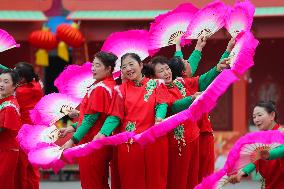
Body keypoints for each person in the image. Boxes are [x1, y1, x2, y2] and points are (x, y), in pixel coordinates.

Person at [145, 37, 230, 189]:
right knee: (178, 182)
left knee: (193, 182)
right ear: (154, 77)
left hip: (194, 138)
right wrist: (191, 98)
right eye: (161, 71)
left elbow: (201, 79)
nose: (166, 72)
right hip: (177, 143)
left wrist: (218, 67)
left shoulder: (181, 82)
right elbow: (173, 107)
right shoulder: (158, 91)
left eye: (167, 69)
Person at [94, 53, 169, 189]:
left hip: (154, 141)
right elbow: (115, 116)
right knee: (132, 183)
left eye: (131, 64)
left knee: (156, 182)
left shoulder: (157, 84)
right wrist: (103, 133)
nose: (128, 69)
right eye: (124, 67)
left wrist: (159, 118)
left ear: (140, 65)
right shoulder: (120, 90)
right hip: (130, 144)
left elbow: (162, 103)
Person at [172, 37, 236, 183]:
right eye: (186, 62)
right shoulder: (190, 82)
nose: (190, 62)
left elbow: (184, 66)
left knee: (187, 177)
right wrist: (226, 51)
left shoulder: (175, 83)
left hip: (187, 136)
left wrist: (188, 48)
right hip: (201, 134)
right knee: (203, 176)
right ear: (182, 71)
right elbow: (210, 74)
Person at [59, 51, 118, 189]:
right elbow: (95, 117)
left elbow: (90, 120)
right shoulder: (108, 85)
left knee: (92, 184)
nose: (93, 68)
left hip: (91, 143)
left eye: (97, 65)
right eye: (93, 65)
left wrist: (72, 140)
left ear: (108, 69)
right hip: (98, 142)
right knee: (99, 182)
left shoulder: (100, 89)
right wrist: (71, 127)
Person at [229, 101, 284, 189]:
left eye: (259, 115)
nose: (256, 119)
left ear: (272, 115)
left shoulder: (282, 132)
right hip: (269, 184)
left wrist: (270, 154)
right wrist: (242, 172)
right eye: (254, 116)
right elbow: (255, 158)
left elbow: (282, 149)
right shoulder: (260, 139)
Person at [13, 62, 44, 189]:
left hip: (24, 134)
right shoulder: (37, 86)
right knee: (32, 168)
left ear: (22, 78)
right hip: (35, 133)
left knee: (21, 168)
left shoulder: (20, 92)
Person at [0, 69, 22, 189]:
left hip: (6, 151)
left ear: (14, 86)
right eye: (0, 81)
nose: (1, 84)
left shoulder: (9, 106)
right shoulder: (4, 101)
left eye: (6, 82)